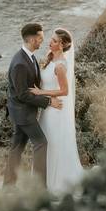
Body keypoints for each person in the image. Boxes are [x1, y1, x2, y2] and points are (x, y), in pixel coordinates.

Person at [3, 23, 62, 187]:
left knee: (16, 148)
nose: (42, 41)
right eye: (40, 38)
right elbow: (23, 94)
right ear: (32, 39)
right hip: (23, 113)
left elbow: (33, 86)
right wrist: (49, 101)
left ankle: (8, 187)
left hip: (19, 112)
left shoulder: (29, 57)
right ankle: (39, 189)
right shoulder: (20, 63)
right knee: (41, 143)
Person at [32, 28, 84, 195]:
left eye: (54, 41)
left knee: (54, 143)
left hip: (56, 111)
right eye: (51, 39)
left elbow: (64, 91)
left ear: (62, 45)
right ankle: (44, 180)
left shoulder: (61, 65)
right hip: (48, 109)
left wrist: (41, 92)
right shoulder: (50, 57)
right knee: (46, 142)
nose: (50, 42)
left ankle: (58, 181)